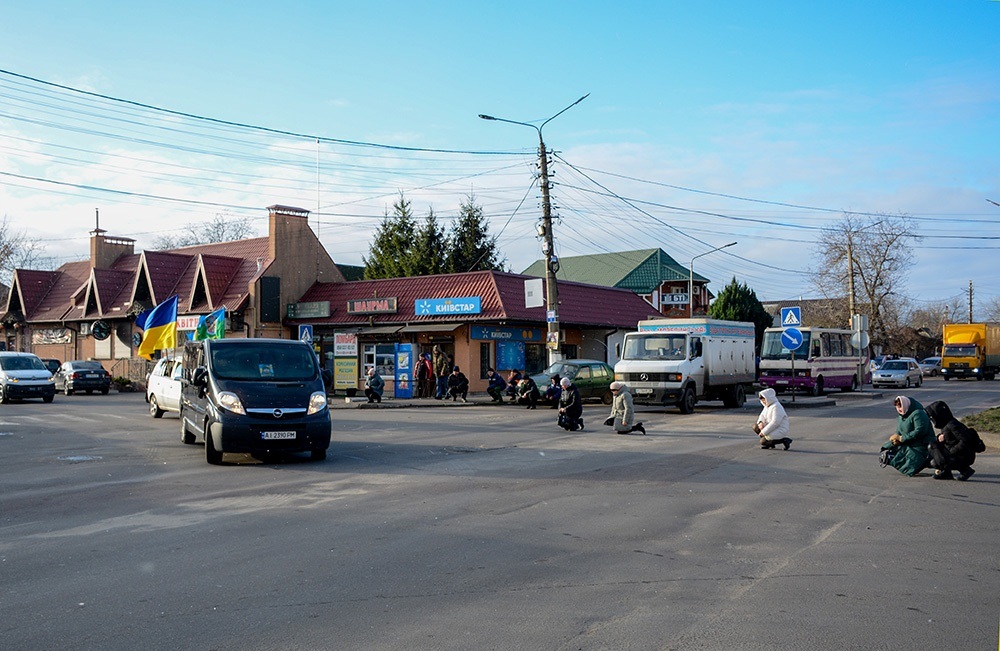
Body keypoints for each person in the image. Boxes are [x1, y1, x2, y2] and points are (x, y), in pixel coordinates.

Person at [925, 400, 979, 481]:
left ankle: (965, 470)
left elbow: (966, 441)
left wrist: (951, 452)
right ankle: (947, 472)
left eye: (932, 416)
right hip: (958, 454)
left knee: (933, 448)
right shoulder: (946, 424)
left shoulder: (952, 425)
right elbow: (949, 439)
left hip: (963, 456)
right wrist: (940, 437)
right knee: (934, 446)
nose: (931, 419)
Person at [881, 395, 934, 476]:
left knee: (907, 460)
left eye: (900, 406)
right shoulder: (901, 416)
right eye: (897, 407)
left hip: (922, 444)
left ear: (905, 404)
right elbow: (899, 431)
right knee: (891, 449)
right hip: (911, 443)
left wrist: (902, 438)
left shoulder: (918, 413)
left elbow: (920, 431)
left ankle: (928, 462)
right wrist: (894, 441)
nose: (899, 409)